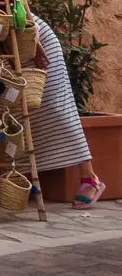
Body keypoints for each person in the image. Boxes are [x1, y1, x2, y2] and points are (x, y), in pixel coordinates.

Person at [29, 13, 105, 206]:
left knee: (57, 106)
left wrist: (37, 47)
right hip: (10, 50)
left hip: (38, 41)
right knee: (19, 112)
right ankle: (21, 180)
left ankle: (90, 178)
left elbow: (18, 2)